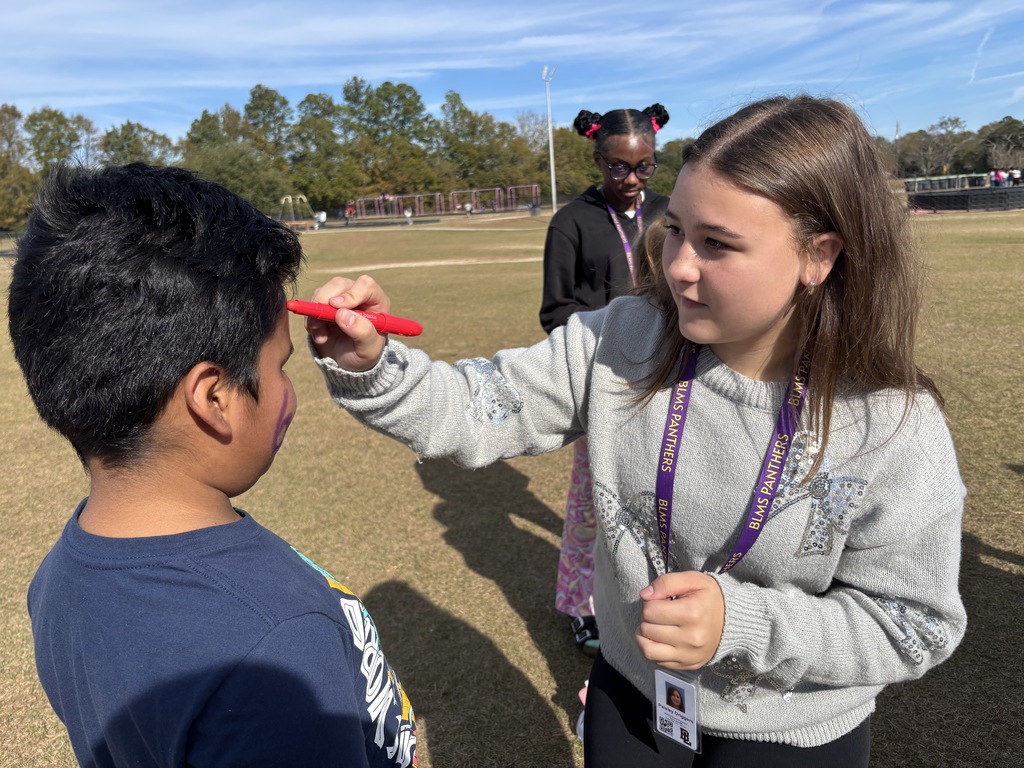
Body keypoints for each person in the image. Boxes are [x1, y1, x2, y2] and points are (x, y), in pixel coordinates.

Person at [301, 95, 966, 767]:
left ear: (818, 255)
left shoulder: (892, 424)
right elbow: (479, 406)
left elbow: (914, 623)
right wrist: (372, 367)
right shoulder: (620, 338)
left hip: (792, 732)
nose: (678, 265)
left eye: (718, 244)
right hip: (631, 695)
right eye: (675, 229)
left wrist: (743, 624)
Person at [8, 163, 417, 768]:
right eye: (281, 366)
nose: (287, 391)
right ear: (215, 399)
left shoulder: (59, 578)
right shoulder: (273, 643)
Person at [540, 103, 671, 655]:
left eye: (644, 167)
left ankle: (660, 596)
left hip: (671, 373)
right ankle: (583, 607)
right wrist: (615, 331)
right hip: (608, 380)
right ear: (597, 160)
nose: (632, 180)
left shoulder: (669, 213)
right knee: (594, 505)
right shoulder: (572, 221)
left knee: (666, 497)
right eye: (618, 167)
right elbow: (554, 310)